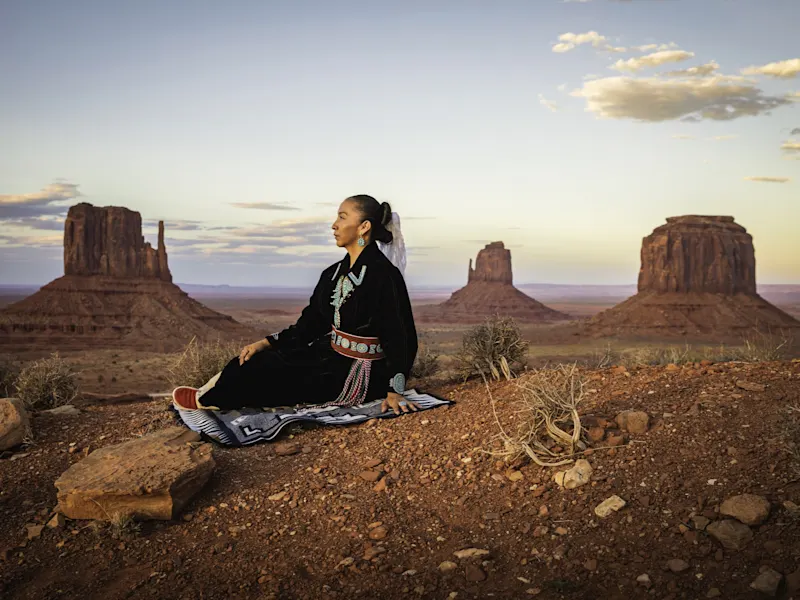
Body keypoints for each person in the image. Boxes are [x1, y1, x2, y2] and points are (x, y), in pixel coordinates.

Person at [172, 195, 421, 415]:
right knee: (258, 361)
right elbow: (311, 323)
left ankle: (210, 399)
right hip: (330, 354)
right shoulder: (332, 274)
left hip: (360, 372)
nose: (334, 225)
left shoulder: (384, 275)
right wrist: (267, 343)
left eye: (342, 217)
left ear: (363, 227)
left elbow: (401, 336)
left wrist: (394, 389)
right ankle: (210, 394)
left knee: (272, 379)